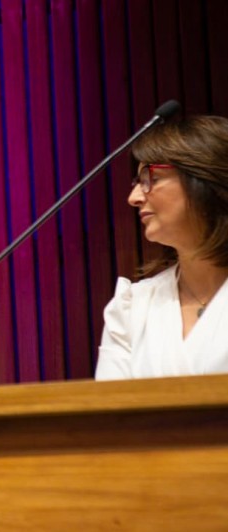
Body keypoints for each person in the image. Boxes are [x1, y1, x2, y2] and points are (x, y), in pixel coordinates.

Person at [96, 115, 228, 380]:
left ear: (205, 179)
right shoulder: (132, 308)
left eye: (150, 178)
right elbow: (112, 405)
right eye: (137, 182)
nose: (133, 198)